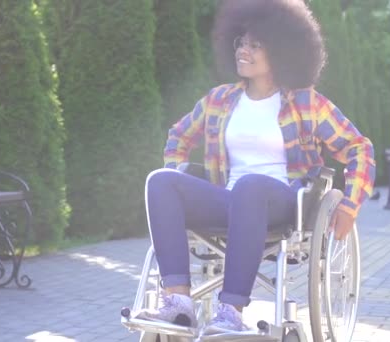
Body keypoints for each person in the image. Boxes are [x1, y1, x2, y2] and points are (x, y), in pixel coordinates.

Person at [141, 0, 375, 335]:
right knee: (160, 182)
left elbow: (358, 148)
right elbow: (178, 136)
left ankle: (230, 312)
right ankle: (179, 306)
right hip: (230, 200)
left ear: (281, 51)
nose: (243, 51)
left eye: (255, 45)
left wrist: (350, 204)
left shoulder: (306, 102)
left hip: (282, 205)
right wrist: (178, 169)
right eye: (241, 43)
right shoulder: (220, 100)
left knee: (251, 186)